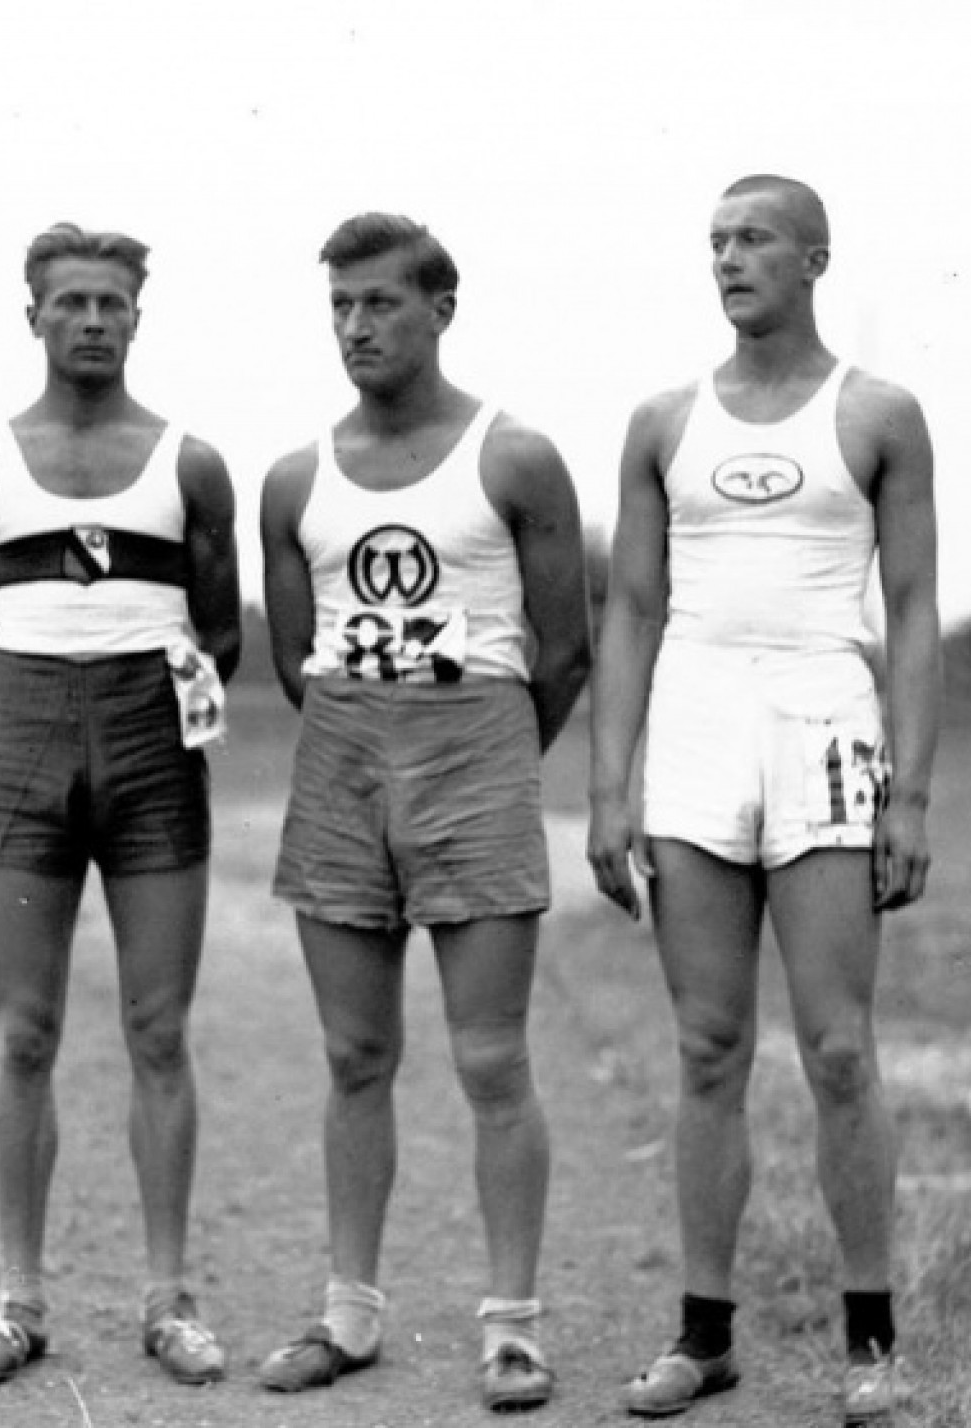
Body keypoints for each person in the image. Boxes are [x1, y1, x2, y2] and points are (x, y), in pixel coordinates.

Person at [586, 175, 939, 1421]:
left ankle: (871, 1345)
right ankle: (703, 1334)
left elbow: (912, 611)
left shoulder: (879, 414)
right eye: (717, 242)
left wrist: (912, 793)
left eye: (754, 240)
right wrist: (608, 786)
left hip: (823, 729)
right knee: (706, 1047)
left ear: (816, 258)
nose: (729, 259)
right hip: (692, 733)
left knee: (840, 1047)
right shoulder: (662, 420)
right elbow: (629, 608)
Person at [258, 213, 590, 1412]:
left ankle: (513, 1327)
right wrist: (373, 736)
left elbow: (564, 651)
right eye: (341, 307)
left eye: (380, 303)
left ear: (440, 309)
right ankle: (349, 1314)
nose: (357, 327)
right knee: (356, 1056)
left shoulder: (515, 459)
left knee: (492, 1056)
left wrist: (490, 757)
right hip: (345, 760)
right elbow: (295, 660)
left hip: (479, 755)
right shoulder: (295, 478)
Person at [0, 222, 242, 1389]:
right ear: (35, 317)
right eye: (72, 303)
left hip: (155, 763)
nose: (93, 320)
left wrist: (133, 700)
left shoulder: (190, 465)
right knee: (25, 1033)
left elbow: (221, 633)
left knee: (158, 1031)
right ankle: (19, 1297)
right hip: (25, 767)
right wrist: (29, 711)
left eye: (113, 302)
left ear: (137, 319)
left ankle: (168, 1298)